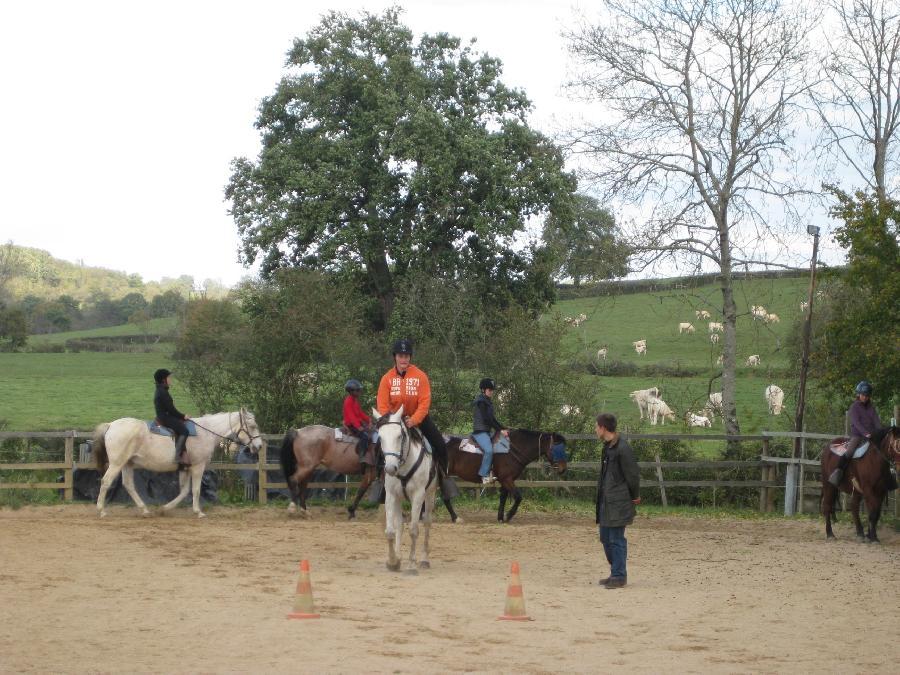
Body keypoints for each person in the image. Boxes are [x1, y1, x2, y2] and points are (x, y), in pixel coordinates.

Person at [376, 338, 457, 497]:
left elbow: (425, 402)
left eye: (406, 356)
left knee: (440, 444)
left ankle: (444, 479)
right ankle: (380, 483)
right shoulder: (386, 379)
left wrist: (414, 420)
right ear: (395, 357)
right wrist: (391, 421)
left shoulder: (420, 376)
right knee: (377, 447)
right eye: (401, 355)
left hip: (418, 419)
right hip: (394, 421)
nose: (404, 359)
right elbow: (382, 404)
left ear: (410, 357)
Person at [594, 412, 640, 589]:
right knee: (605, 538)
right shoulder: (607, 447)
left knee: (616, 539)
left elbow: (632, 476)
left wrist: (634, 496)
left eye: (597, 426)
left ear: (603, 428)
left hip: (619, 501)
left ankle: (619, 576)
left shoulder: (623, 448)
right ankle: (615, 571)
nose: (595, 429)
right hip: (606, 501)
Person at [829, 380, 882, 486]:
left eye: (867, 395)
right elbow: (856, 423)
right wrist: (865, 433)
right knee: (849, 452)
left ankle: (887, 474)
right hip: (858, 436)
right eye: (863, 395)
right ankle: (838, 472)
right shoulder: (854, 407)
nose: (865, 397)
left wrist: (880, 431)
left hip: (871, 436)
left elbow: (876, 421)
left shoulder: (872, 408)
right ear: (859, 394)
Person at [472, 377, 508, 484]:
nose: (491, 392)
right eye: (489, 390)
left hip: (487, 431)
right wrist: (500, 430)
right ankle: (483, 475)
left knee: (501, 445)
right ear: (483, 390)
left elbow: (493, 419)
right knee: (488, 450)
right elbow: (487, 419)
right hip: (480, 432)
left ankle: (495, 471)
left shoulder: (487, 401)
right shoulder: (481, 402)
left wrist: (503, 428)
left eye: (492, 390)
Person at [153, 368, 190, 470]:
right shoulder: (163, 392)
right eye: (169, 377)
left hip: (164, 416)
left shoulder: (161, 390)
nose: (171, 379)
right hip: (165, 417)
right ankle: (177, 456)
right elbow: (171, 410)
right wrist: (183, 416)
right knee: (185, 431)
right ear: (163, 379)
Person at [343, 379, 373, 463]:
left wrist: (368, 419)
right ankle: (362, 456)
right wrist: (358, 427)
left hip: (357, 423)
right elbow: (351, 417)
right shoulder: (348, 401)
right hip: (351, 425)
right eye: (358, 390)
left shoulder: (355, 400)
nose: (360, 392)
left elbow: (360, 413)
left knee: (373, 431)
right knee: (365, 436)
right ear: (352, 391)